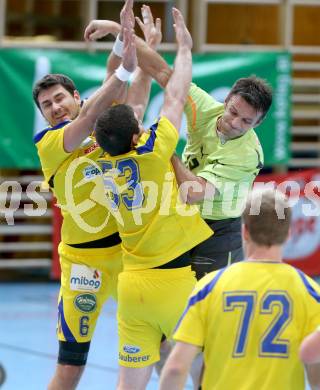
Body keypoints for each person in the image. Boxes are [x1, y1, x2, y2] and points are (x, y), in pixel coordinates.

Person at [83, 16, 273, 280]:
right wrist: (118, 31)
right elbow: (159, 70)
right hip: (183, 220)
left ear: (259, 122)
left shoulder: (245, 154)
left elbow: (191, 191)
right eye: (233, 112)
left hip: (217, 231)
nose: (235, 123)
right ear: (226, 99)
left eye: (247, 122)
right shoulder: (206, 109)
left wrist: (164, 149)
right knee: (176, 302)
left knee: (207, 306)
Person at [95, 8, 212, 390]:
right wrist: (183, 49)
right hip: (174, 282)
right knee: (196, 374)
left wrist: (144, 56)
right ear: (134, 135)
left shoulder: (98, 162)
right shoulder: (154, 148)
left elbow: (133, 108)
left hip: (131, 288)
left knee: (130, 382)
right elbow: (175, 93)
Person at [32, 3, 138, 388]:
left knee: (158, 347)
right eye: (47, 105)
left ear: (76, 96)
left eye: (60, 98)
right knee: (71, 366)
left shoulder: (102, 123)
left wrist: (119, 34)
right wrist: (123, 66)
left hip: (130, 254)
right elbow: (91, 112)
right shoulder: (50, 142)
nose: (55, 107)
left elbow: (115, 80)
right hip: (83, 266)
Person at [159, 188, 320, 390]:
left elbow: (176, 368)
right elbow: (316, 374)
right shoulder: (309, 292)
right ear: (288, 234)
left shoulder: (209, 287)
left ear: (245, 232)